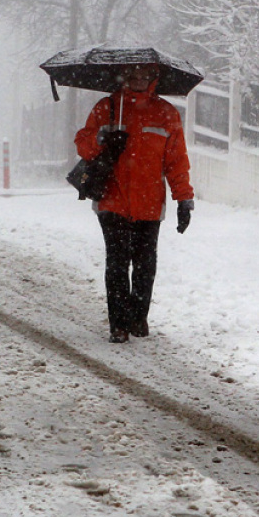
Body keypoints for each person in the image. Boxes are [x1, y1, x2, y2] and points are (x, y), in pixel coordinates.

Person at [74, 63, 194, 343]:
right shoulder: (107, 108)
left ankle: (138, 317)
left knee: (144, 264)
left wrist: (184, 198)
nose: (139, 80)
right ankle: (118, 323)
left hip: (150, 203)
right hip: (111, 201)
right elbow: (82, 143)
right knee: (117, 263)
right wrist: (101, 138)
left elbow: (176, 161)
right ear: (124, 77)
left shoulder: (166, 114)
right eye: (133, 75)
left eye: (145, 76)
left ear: (154, 79)